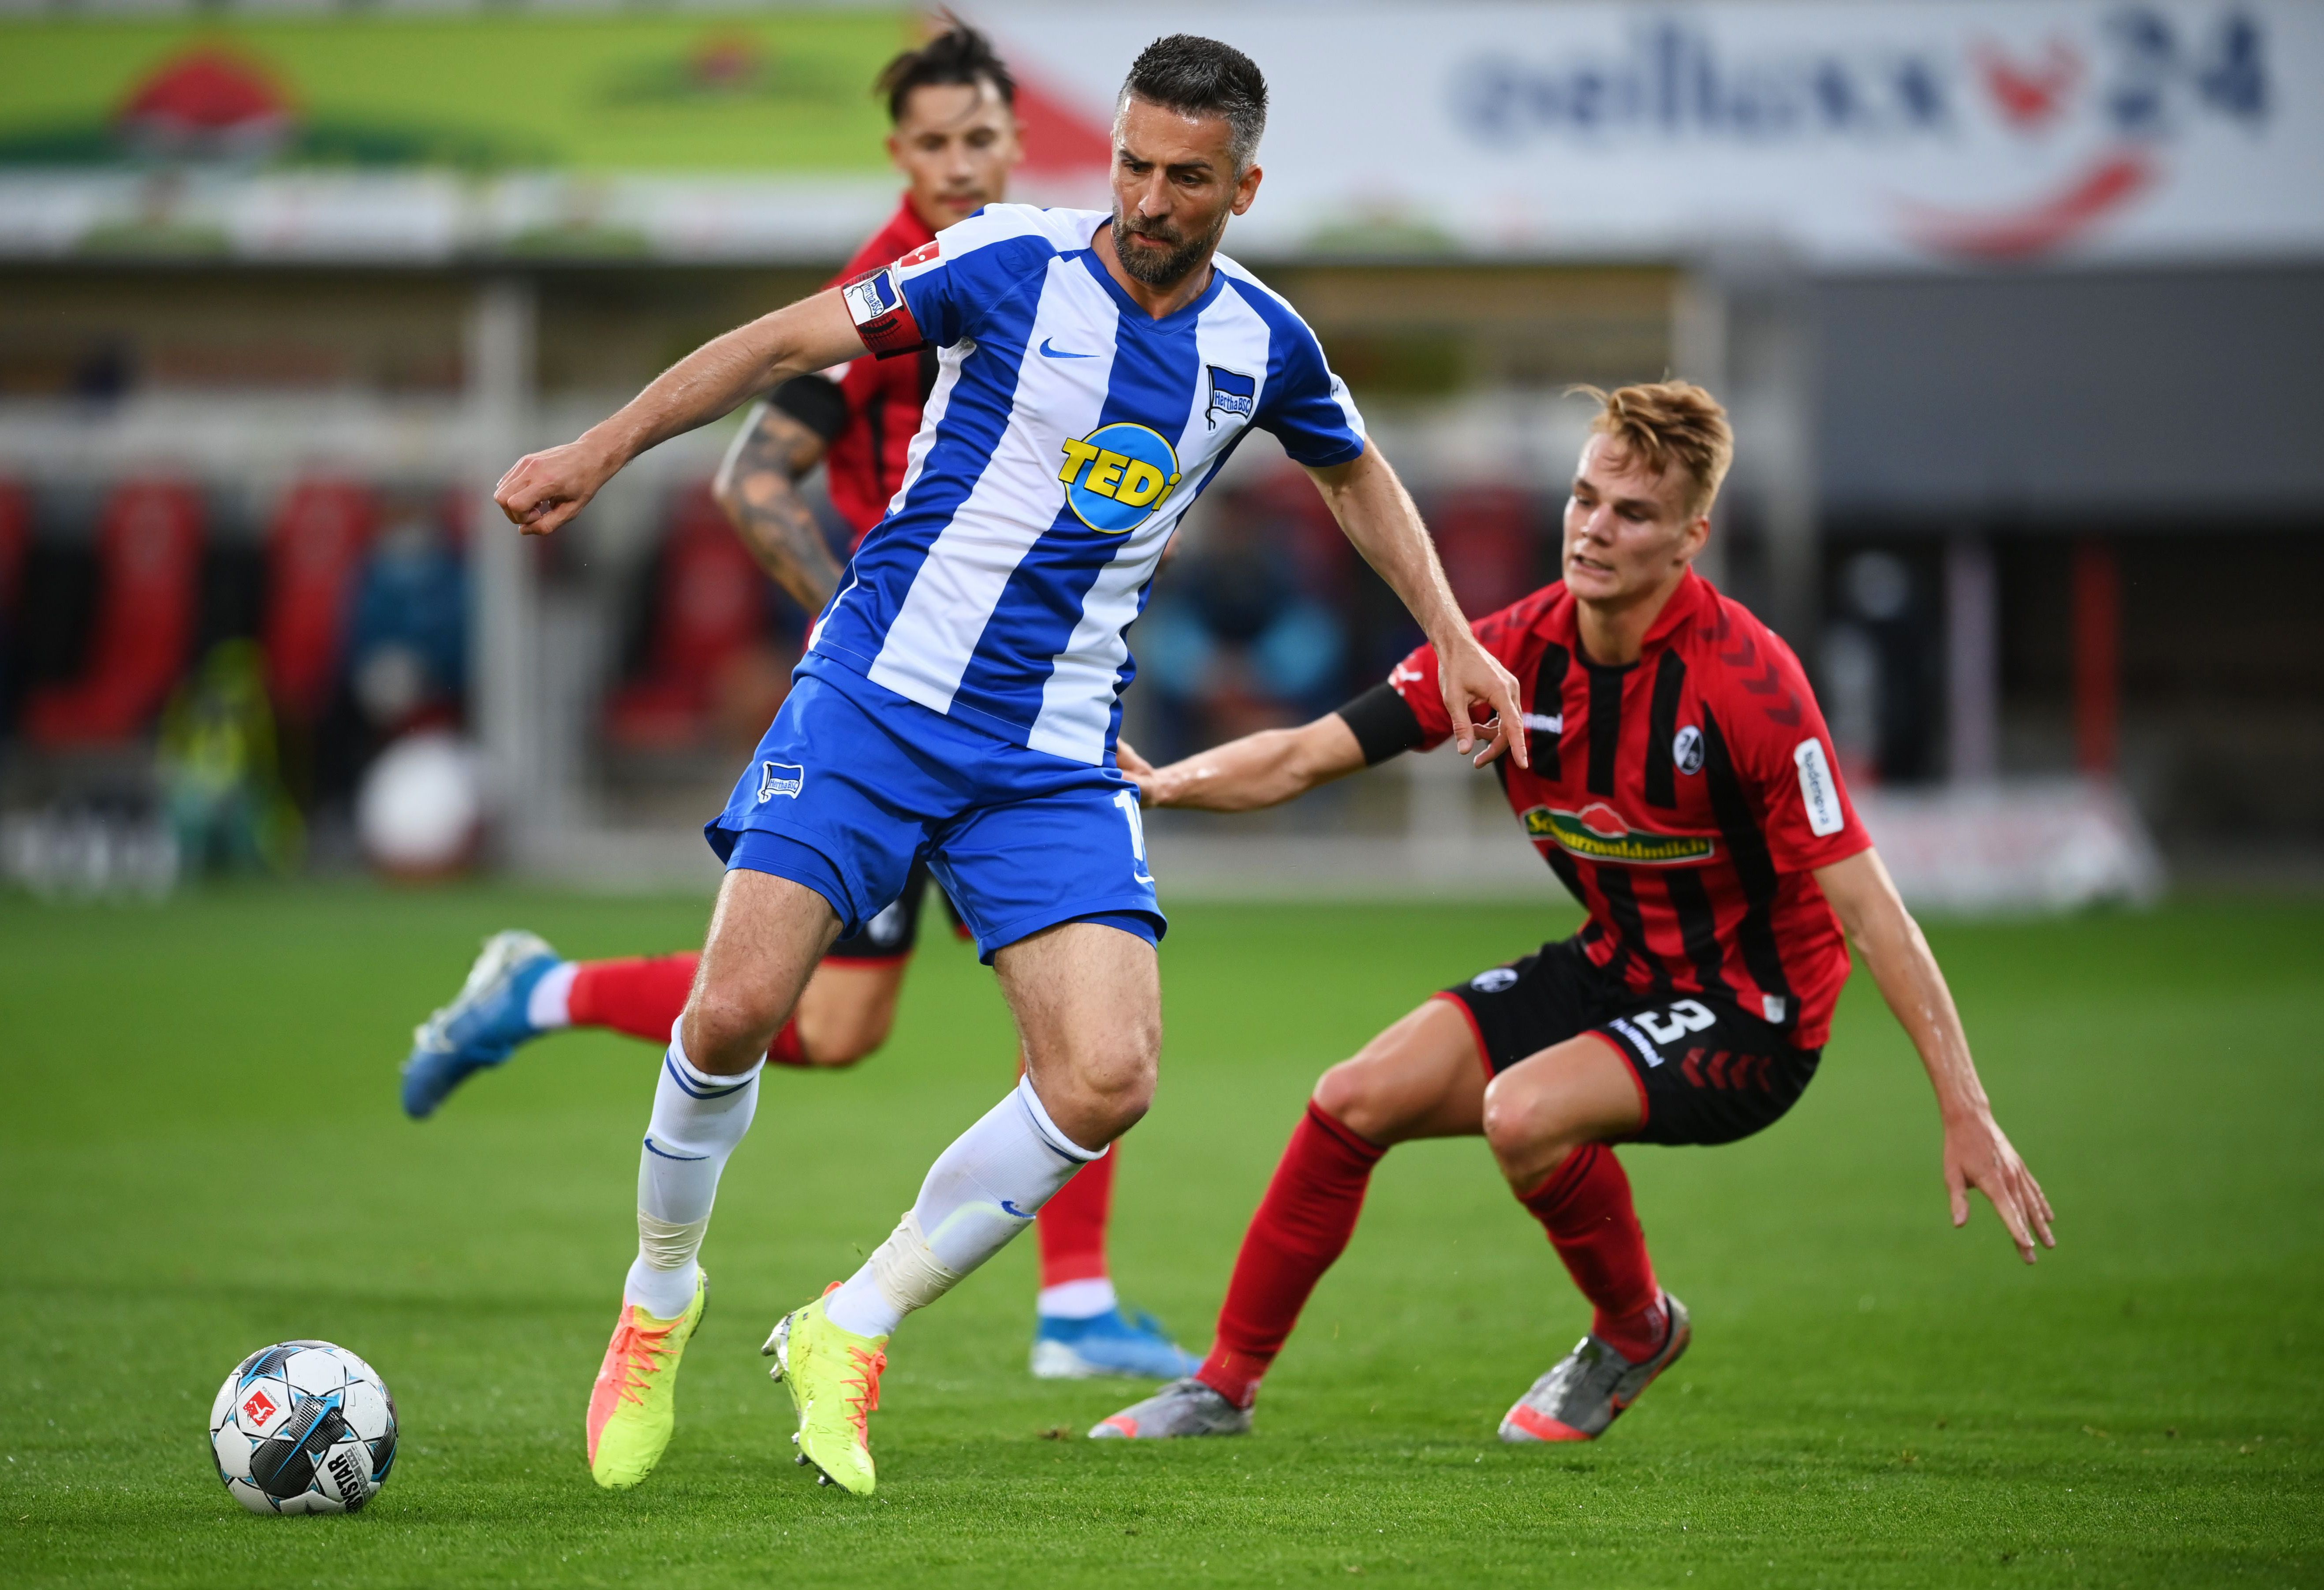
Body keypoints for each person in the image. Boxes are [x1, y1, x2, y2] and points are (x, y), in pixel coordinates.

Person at [490, 33, 1525, 1497]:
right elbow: (784, 345)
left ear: (1244, 183)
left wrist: (1455, 634)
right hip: (877, 692)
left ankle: (849, 1324)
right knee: (735, 1010)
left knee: (1108, 1073)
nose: (1150, 198)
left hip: (1047, 744)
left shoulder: (1262, 343)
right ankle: (656, 1303)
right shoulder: (1007, 264)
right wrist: (599, 452)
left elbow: (1353, 468)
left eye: (1186, 177)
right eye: (1132, 163)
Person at [397, 23, 1194, 1386]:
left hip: (1017, 703)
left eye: (981, 139)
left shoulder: (1075, 268)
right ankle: (543, 994)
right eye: (934, 145)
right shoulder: (900, 289)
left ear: (1017, 138)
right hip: (894, 692)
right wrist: (852, 619)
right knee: (819, 1025)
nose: (960, 164)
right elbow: (755, 479)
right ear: (900, 156)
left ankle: (1074, 1301)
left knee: (1076, 999)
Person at [1092, 380, 2055, 1445]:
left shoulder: (1749, 688)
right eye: (1584, 497)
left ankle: (1633, 1330)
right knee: (1352, 1098)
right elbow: (1306, 751)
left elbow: (1873, 913)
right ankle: (1221, 1388)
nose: (1594, 528)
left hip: (1751, 1012)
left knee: (1524, 1111)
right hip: (1617, 964)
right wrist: (1166, 783)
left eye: (1631, 513)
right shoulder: (1504, 652)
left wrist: (1961, 1104)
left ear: (1692, 536)